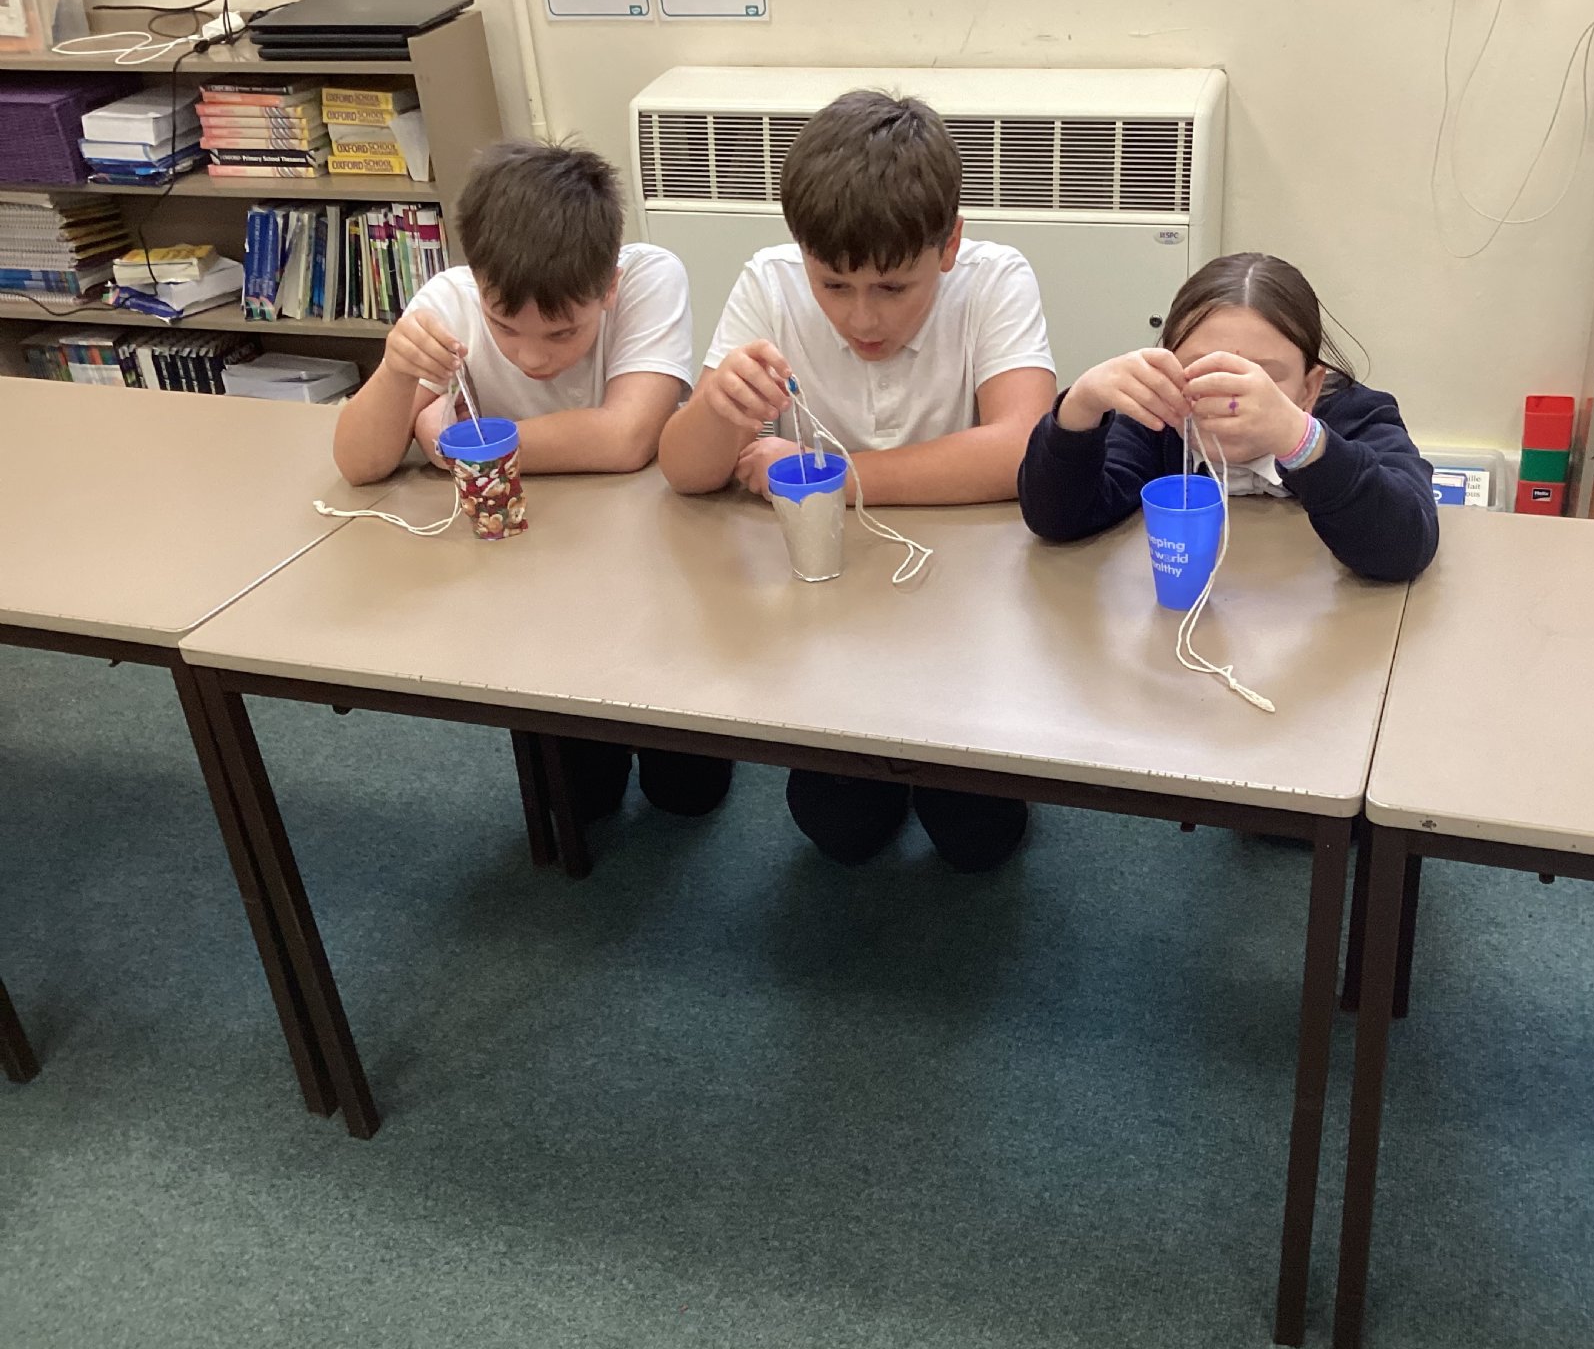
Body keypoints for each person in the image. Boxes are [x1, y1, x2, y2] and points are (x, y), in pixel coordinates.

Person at [658, 89, 1057, 870]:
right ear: (801, 250)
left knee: (979, 843)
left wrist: (832, 477)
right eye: (833, 285)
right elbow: (684, 472)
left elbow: (1021, 449)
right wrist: (718, 409)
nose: (862, 319)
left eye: (893, 288)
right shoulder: (771, 283)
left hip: (961, 606)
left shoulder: (995, 279)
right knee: (840, 833)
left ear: (948, 244)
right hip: (823, 602)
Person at [333, 138, 730, 820]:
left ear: (608, 287)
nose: (531, 356)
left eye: (563, 333)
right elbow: (358, 464)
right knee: (577, 804)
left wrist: (455, 446)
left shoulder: (649, 277)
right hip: (521, 580)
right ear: (478, 282)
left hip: (647, 569)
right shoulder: (449, 300)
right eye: (503, 327)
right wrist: (398, 375)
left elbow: (627, 439)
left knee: (688, 796)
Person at [1019, 252, 1438, 583]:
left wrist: (1300, 439)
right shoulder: (1157, 421)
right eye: (1202, 370)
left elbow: (1404, 546)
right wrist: (1080, 407)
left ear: (1309, 388)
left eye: (1265, 377)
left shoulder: (1356, 415)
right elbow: (1058, 520)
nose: (1231, 396)